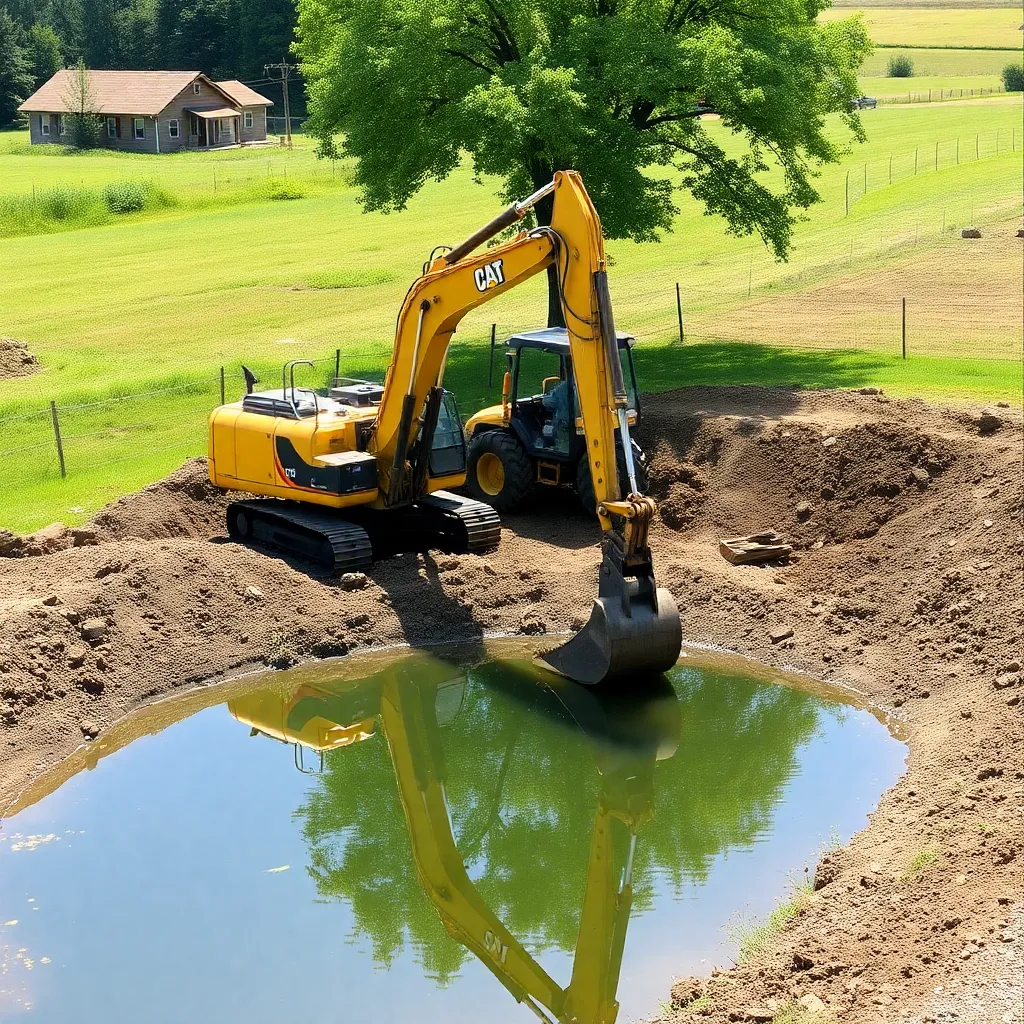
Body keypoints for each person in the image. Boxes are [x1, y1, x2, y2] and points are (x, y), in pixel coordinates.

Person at [541, 375, 572, 452]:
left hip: (566, 426)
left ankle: (558, 450)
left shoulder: (563, 387)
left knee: (544, 431)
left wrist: (548, 394)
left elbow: (546, 402)